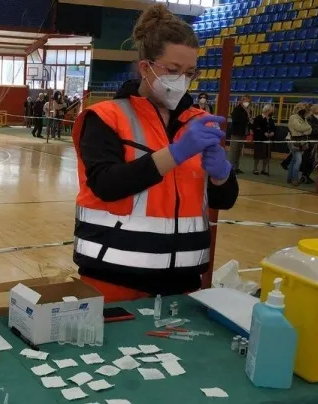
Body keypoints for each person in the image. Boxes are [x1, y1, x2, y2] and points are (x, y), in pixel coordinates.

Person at [71, 4, 238, 302]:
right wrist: (176, 153)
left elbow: (222, 201)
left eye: (189, 73)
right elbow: (107, 185)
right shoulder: (106, 117)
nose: (181, 80)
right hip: (113, 277)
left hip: (182, 283)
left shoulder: (199, 121)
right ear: (145, 68)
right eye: (172, 71)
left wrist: (221, 175)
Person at [286, 102, 313, 186]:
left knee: (293, 160)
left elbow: (309, 131)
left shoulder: (303, 118)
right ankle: (295, 179)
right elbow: (299, 128)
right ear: (298, 109)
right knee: (298, 161)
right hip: (294, 141)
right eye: (303, 108)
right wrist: (307, 128)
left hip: (301, 141)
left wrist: (305, 129)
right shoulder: (293, 117)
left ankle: (289, 178)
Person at [229, 95, 253, 174]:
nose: (247, 102)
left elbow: (249, 121)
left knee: (239, 151)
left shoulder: (249, 110)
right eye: (245, 101)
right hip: (236, 132)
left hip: (244, 132)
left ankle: (236, 167)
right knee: (234, 151)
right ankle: (231, 168)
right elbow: (235, 120)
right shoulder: (237, 109)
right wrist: (246, 119)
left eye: (248, 101)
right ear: (242, 101)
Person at [302, 104, 318, 184]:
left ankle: (307, 175)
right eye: (317, 113)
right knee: (307, 159)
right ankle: (304, 175)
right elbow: (309, 128)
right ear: (314, 111)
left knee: (313, 161)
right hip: (309, 142)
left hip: (317, 142)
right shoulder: (309, 119)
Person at [251, 104, 276, 175]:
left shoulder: (271, 120)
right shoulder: (258, 118)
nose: (271, 112)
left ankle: (263, 169)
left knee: (267, 155)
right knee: (257, 154)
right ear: (267, 110)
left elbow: (273, 128)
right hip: (259, 139)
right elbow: (256, 128)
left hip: (268, 140)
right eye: (271, 111)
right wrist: (263, 133)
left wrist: (272, 132)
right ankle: (255, 169)